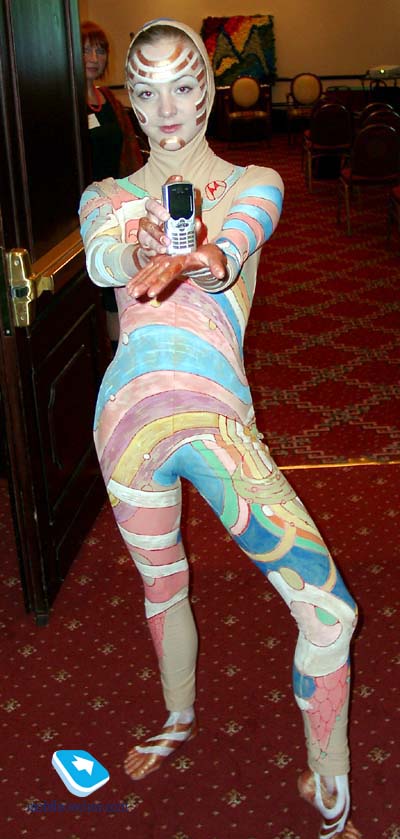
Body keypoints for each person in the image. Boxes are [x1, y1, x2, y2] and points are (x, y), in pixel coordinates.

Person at [79, 19, 360, 839]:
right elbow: (102, 257)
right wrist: (135, 252)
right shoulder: (107, 196)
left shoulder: (254, 181)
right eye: (147, 89)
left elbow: (239, 237)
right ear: (130, 102)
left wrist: (206, 255)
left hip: (213, 421)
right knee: (161, 582)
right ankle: (177, 718)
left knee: (331, 613)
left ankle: (330, 781)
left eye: (183, 84)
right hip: (124, 426)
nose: (167, 107)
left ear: (207, 88)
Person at [81, 20, 144, 352]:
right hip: (89, 210)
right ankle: (111, 357)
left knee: (122, 283)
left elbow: (129, 150)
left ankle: (125, 350)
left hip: (118, 204)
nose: (94, 57)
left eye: (100, 50)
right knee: (104, 288)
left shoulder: (107, 99)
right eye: (86, 50)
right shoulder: (63, 102)